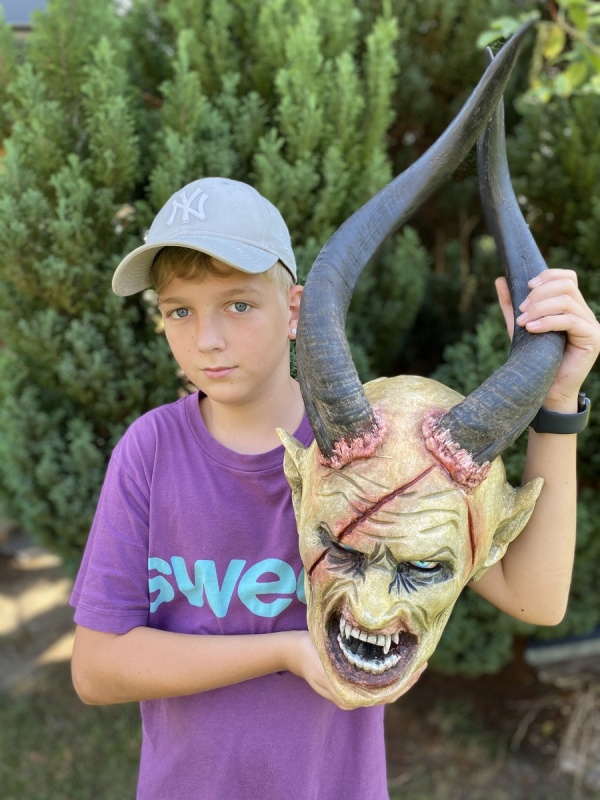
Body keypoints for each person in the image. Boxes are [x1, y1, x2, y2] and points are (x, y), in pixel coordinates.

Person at [70, 176, 600, 800]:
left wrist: (557, 400)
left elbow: (536, 601)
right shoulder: (151, 451)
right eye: (179, 310)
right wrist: (287, 651)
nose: (207, 339)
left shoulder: (384, 454)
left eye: (238, 305)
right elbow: (97, 670)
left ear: (295, 310)